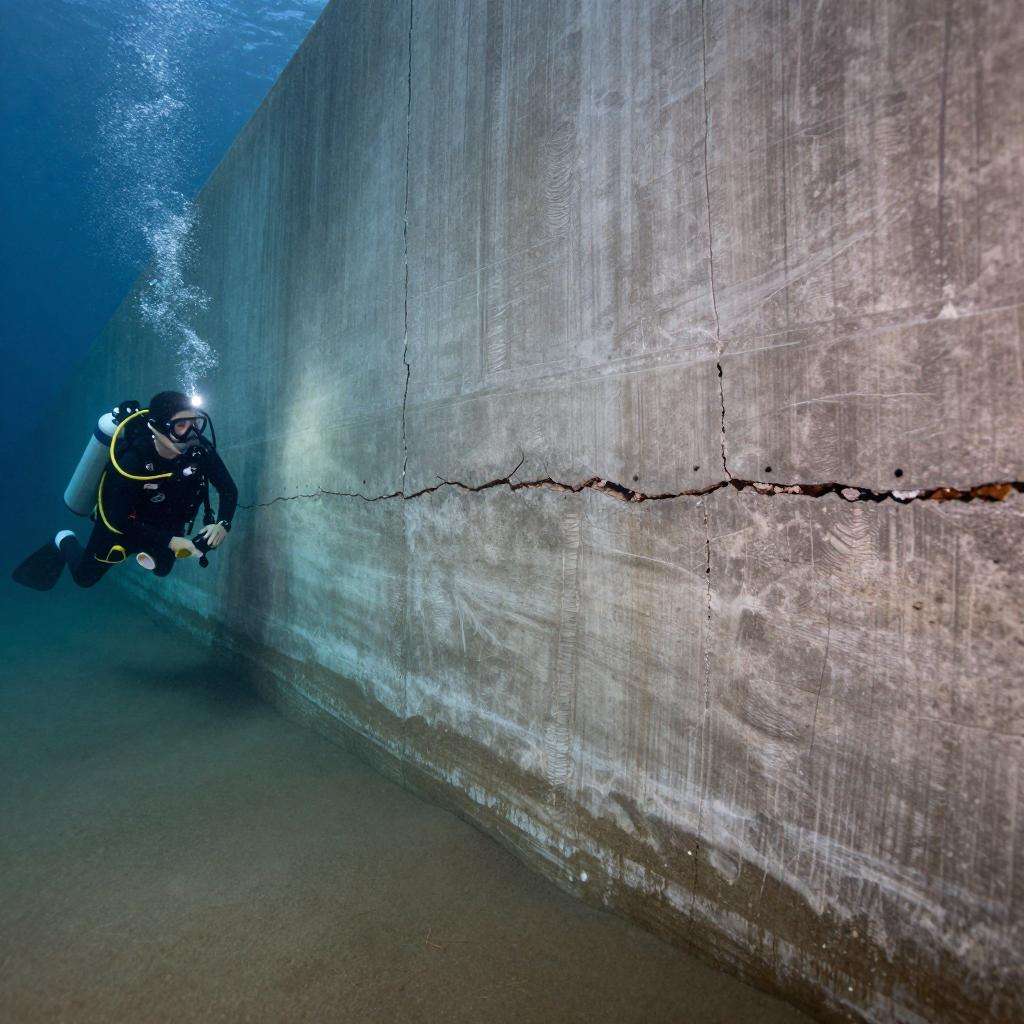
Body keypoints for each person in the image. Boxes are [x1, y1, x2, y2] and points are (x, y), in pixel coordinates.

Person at [12, 390, 238, 590]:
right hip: (122, 523)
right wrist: (170, 541)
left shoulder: (201, 450)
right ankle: (63, 539)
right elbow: (116, 519)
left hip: (162, 522)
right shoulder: (132, 460)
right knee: (84, 578)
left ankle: (144, 550)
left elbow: (228, 490)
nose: (191, 434)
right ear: (157, 426)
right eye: (181, 425)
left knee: (162, 568)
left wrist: (223, 523)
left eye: (195, 424)